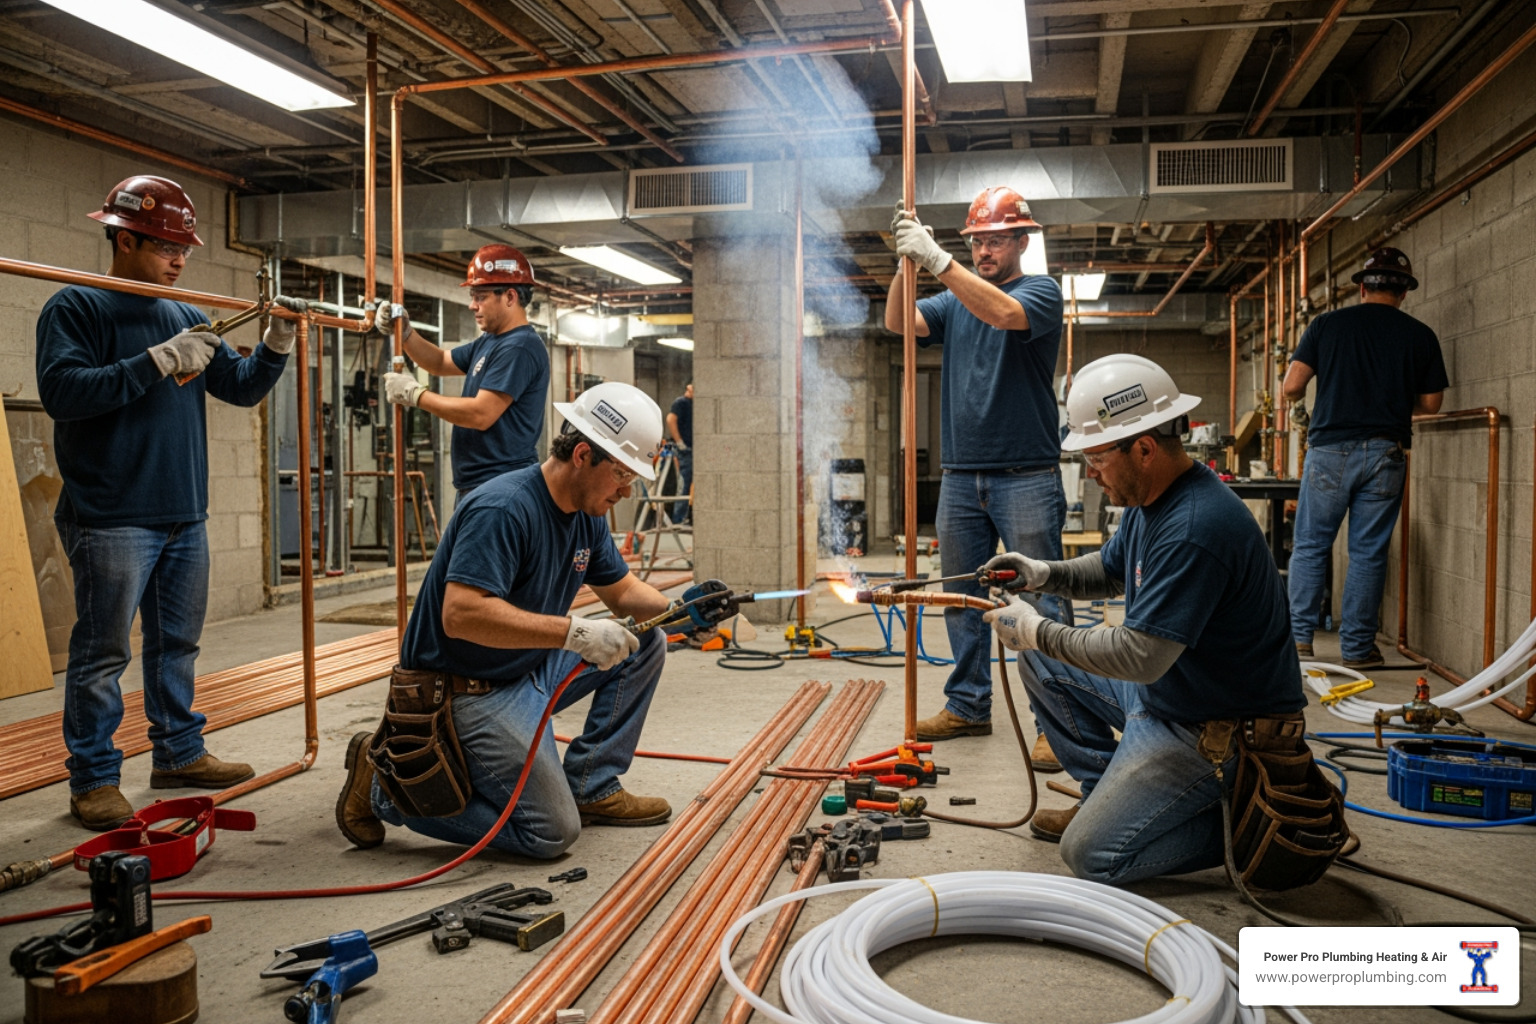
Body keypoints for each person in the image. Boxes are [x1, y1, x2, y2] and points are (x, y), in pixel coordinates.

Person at [335, 382, 731, 858]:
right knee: (550, 833)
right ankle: (386, 788)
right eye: (622, 476)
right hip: (465, 692)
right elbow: (462, 615)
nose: (626, 493)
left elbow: (623, 592)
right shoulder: (503, 508)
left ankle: (592, 785)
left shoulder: (587, 512)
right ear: (583, 454)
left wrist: (682, 610)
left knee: (645, 643)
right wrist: (575, 632)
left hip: (526, 667)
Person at [36, 174, 308, 831]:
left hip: (184, 511)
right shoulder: (76, 308)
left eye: (183, 247)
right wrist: (156, 362)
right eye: (164, 246)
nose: (179, 259)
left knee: (178, 645)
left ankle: (179, 753)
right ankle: (94, 778)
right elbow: (64, 393)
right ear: (124, 237)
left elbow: (238, 389)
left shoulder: (186, 315)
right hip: (111, 515)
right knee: (103, 654)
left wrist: (274, 344)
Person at [981, 354, 1305, 885]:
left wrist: (1037, 629)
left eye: (1097, 460)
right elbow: (1109, 569)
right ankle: (1104, 797)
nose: (1090, 473)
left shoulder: (1196, 527)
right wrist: (1039, 574)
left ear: (1145, 449)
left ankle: (1242, 825)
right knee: (1042, 665)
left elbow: (1140, 655)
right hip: (1173, 698)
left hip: (1214, 731)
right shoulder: (1149, 500)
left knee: (1090, 856)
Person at [884, 185, 1071, 759]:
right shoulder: (954, 302)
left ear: (1020, 240)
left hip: (1026, 475)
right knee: (962, 599)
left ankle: (1057, 721)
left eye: (995, 240)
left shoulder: (1039, 292)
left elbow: (1003, 311)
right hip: (962, 476)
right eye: (977, 242)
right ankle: (968, 706)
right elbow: (900, 322)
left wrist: (940, 260)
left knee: (1044, 601)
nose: (985, 249)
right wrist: (906, 261)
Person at [1282, 247, 1447, 670]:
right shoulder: (1420, 335)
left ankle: (1298, 640)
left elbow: (1291, 387)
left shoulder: (1326, 325)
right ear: (1404, 293)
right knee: (1369, 552)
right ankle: (1356, 649)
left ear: (1361, 287)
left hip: (1330, 452)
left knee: (1311, 546)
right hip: (1387, 452)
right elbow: (1431, 404)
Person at [377, 243, 550, 499]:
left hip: (500, 486)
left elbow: (481, 414)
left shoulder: (519, 347)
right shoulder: (492, 341)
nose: (472, 305)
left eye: (480, 297)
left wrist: (415, 395)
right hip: (483, 484)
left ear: (510, 297)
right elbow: (440, 362)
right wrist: (406, 334)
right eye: (473, 296)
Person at [666, 381, 693, 524]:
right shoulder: (682, 402)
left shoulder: (694, 404)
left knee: (689, 485)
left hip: (692, 449)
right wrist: (680, 442)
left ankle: (684, 517)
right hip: (686, 450)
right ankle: (678, 519)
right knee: (684, 484)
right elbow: (671, 419)